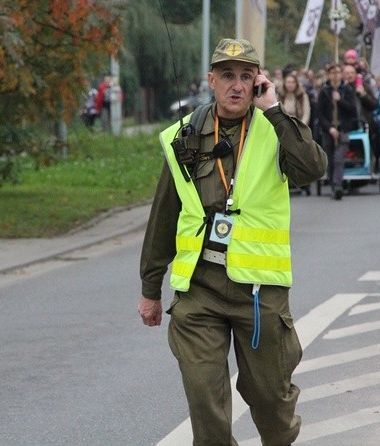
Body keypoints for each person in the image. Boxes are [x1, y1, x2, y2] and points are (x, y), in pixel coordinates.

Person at [137, 37, 327, 446]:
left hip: (259, 292)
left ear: (259, 81)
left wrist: (275, 110)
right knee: (205, 401)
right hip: (200, 290)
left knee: (270, 402)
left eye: (246, 76)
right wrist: (150, 289)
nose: (237, 85)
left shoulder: (275, 128)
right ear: (212, 80)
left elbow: (312, 169)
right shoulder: (183, 136)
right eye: (227, 76)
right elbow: (164, 214)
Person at [318, 63, 361, 200]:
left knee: (338, 159)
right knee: (330, 159)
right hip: (328, 130)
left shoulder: (347, 89)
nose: (335, 76)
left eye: (338, 73)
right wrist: (329, 128)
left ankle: (338, 186)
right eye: (333, 73)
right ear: (329, 75)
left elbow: (352, 109)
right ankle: (332, 185)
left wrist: (340, 100)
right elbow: (320, 114)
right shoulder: (324, 91)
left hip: (343, 129)